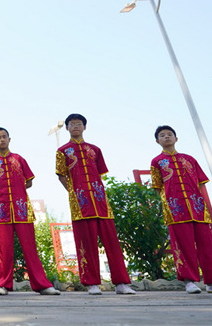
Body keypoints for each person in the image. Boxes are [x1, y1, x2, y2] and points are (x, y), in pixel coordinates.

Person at [150, 125, 212, 294]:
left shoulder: (190, 159)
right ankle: (189, 281)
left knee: (208, 245)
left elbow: (200, 182)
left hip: (197, 208)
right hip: (175, 209)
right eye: (162, 135)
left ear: (177, 138)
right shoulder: (156, 162)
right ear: (157, 141)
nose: (167, 137)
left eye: (170, 134)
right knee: (183, 246)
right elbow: (157, 187)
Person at [55, 113, 136, 295]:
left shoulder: (95, 149)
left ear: (85, 127)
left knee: (112, 243)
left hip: (101, 202)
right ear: (67, 127)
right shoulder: (62, 151)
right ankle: (91, 283)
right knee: (86, 243)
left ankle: (122, 283)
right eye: (72, 124)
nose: (76, 126)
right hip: (80, 203)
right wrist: (74, 193)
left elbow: (100, 174)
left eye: (79, 123)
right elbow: (61, 175)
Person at [0, 128, 60, 296]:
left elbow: (29, 182)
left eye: (4, 137)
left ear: (9, 139)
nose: (2, 140)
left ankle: (42, 285)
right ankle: (2, 284)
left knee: (30, 248)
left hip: (22, 209)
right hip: (2, 211)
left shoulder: (19, 159)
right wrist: (2, 196)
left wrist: (16, 192)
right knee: (5, 249)